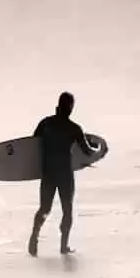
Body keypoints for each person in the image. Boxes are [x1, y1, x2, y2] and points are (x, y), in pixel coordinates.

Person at [28, 92, 103, 256]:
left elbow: (32, 145)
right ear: (70, 108)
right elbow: (88, 152)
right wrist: (98, 147)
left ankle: (34, 237)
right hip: (64, 174)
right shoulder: (74, 128)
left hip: (48, 171)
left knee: (44, 208)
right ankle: (63, 246)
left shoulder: (45, 123)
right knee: (67, 210)